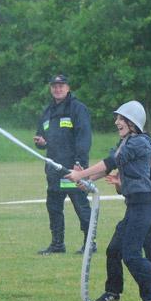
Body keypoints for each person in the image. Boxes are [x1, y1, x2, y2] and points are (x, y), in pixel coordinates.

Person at [65, 101, 151, 301]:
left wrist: (81, 174)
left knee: (131, 256)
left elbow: (111, 161)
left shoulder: (140, 142)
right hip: (133, 205)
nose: (117, 122)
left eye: (121, 119)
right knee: (116, 249)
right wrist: (86, 180)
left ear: (133, 123)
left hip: (142, 205)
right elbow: (108, 168)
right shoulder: (126, 142)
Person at [96, 135, 151, 301]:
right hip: (132, 219)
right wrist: (119, 184)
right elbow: (125, 192)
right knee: (114, 250)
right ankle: (113, 291)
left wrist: (148, 211)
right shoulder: (144, 172)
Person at [33, 74, 94, 255]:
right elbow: (41, 138)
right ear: (50, 88)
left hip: (72, 170)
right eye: (54, 86)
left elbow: (84, 137)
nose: (57, 89)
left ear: (68, 88)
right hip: (53, 170)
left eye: (61, 85)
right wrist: (40, 143)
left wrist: (79, 163)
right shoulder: (47, 112)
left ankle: (90, 243)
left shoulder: (77, 108)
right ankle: (57, 244)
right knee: (53, 207)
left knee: (80, 206)